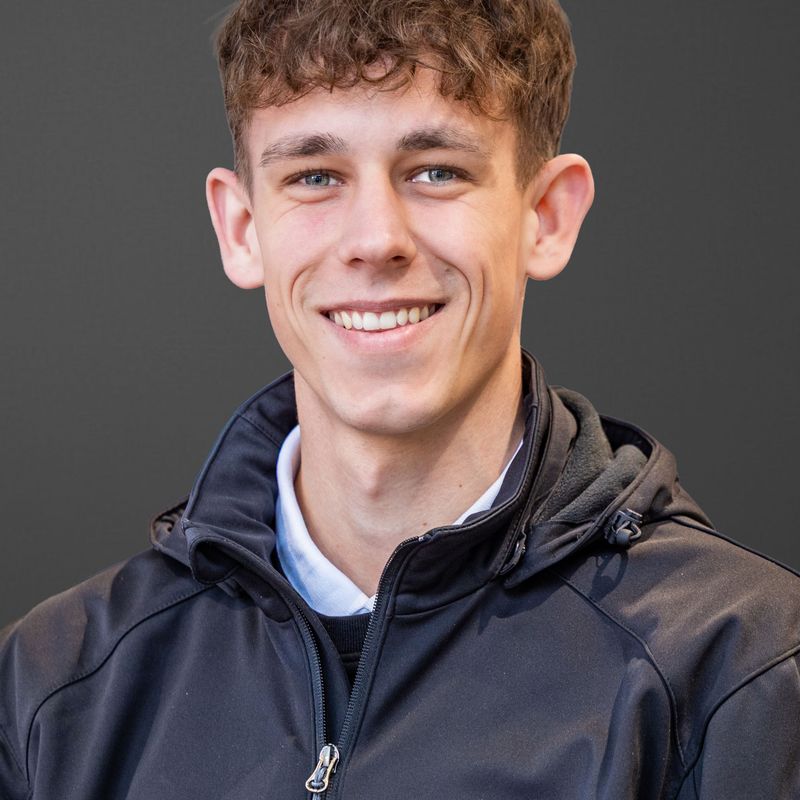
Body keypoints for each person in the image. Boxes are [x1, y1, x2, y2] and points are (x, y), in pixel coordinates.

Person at [1, 0, 798, 797]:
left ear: (546, 216)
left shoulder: (742, 671)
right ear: (241, 228)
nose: (375, 239)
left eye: (436, 171)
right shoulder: (48, 688)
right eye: (315, 177)